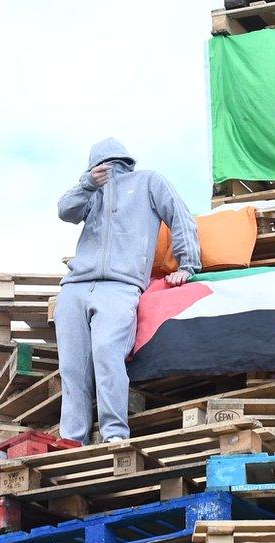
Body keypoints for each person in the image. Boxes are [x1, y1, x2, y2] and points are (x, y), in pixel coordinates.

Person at [56, 137, 200, 444]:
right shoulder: (90, 191)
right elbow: (65, 211)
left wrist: (187, 265)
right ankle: (72, 440)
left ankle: (115, 436)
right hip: (75, 287)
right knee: (72, 368)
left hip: (121, 287)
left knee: (107, 354)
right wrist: (87, 184)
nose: (107, 168)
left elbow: (180, 216)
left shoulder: (148, 181)